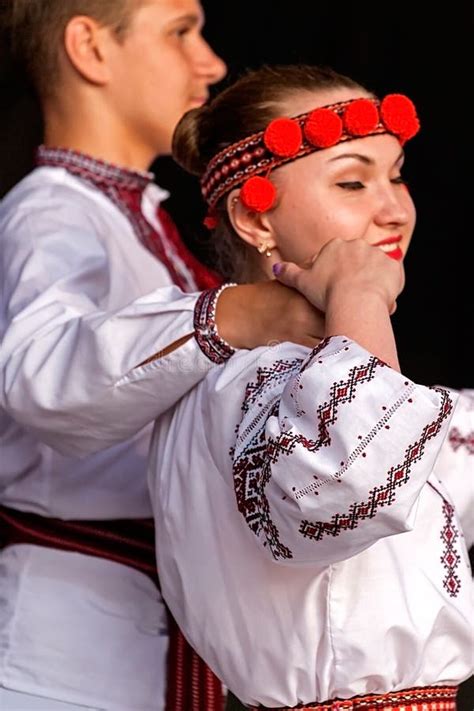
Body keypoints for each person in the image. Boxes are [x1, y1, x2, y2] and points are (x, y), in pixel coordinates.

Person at [0, 3, 326, 709]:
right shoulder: (50, 213)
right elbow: (39, 373)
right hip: (64, 666)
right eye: (181, 30)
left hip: (132, 644)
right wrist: (236, 314)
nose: (209, 62)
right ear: (90, 47)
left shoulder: (137, 219)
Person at [148, 64, 474, 710]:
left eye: (397, 174)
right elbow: (344, 485)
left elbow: (436, 447)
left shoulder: (318, 380)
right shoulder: (247, 383)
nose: (394, 208)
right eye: (353, 181)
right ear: (254, 217)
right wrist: (360, 298)